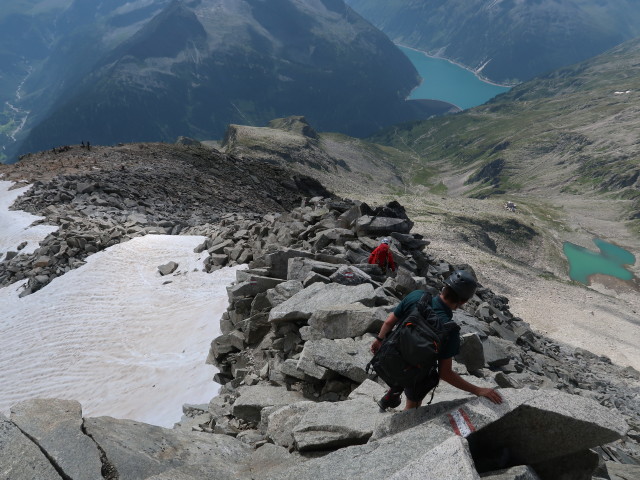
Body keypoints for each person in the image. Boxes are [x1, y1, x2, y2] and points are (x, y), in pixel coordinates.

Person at [371, 269, 503, 410]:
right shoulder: (450, 331)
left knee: (406, 352)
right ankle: (406, 416)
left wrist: (379, 340)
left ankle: (391, 395)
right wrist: (478, 390)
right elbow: (445, 373)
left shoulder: (416, 296)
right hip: (414, 372)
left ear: (444, 287)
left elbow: (389, 322)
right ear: (463, 301)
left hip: (391, 355)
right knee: (427, 376)